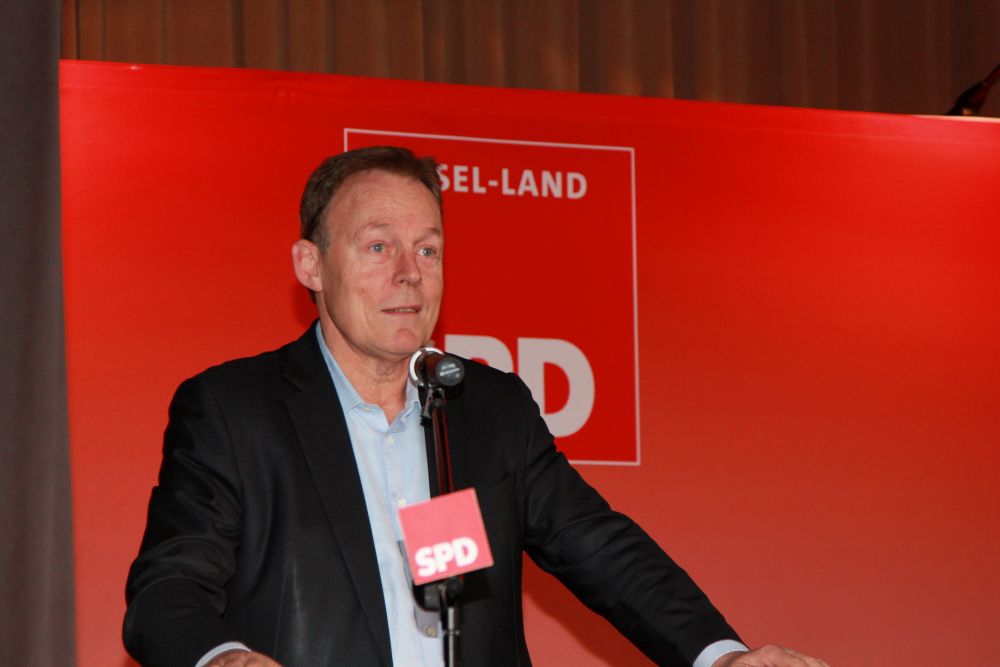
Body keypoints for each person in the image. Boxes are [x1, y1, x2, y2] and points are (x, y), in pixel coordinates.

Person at [124, 146, 828, 667]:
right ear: (311, 265)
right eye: (379, 246)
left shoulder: (487, 410)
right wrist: (222, 658)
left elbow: (602, 548)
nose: (409, 273)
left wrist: (722, 655)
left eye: (428, 250)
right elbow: (167, 588)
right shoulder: (235, 410)